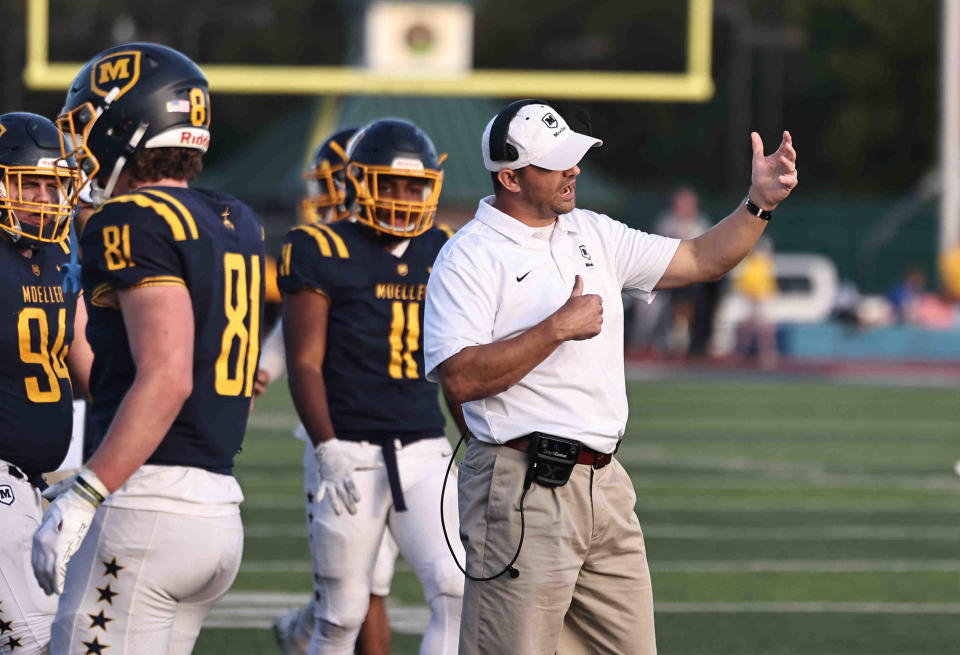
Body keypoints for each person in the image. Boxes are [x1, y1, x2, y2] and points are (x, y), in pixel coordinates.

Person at [423, 99, 798, 654]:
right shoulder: (468, 256)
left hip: (605, 482)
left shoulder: (592, 231)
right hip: (523, 482)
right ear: (509, 176)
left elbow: (699, 259)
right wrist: (554, 329)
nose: (574, 168)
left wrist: (758, 205)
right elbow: (460, 378)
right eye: (556, 161)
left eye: (575, 155)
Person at [31, 42, 265, 655]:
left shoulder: (131, 218)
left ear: (126, 126)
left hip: (145, 506)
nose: (79, 144)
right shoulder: (234, 215)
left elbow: (168, 376)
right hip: (216, 509)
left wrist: (88, 489)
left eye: (86, 124)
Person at [278, 117, 464, 655]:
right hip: (349, 452)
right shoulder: (318, 248)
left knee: (457, 591)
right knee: (340, 617)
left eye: (415, 186)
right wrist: (326, 446)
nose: (403, 197)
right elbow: (305, 362)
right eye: (390, 183)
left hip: (424, 446)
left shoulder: (441, 247)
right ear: (359, 182)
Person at [268, 127, 400, 655]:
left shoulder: (413, 246)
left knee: (381, 585)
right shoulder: (323, 250)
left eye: (331, 184)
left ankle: (301, 631)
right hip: (339, 437)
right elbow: (300, 329)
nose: (322, 199)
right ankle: (307, 630)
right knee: (361, 590)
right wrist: (261, 369)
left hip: (410, 438)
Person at [0, 112, 91, 655]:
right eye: (25, 182)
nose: (40, 196)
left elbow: (82, 353)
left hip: (37, 482)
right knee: (40, 641)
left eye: (51, 184)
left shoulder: (58, 253)